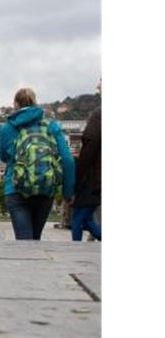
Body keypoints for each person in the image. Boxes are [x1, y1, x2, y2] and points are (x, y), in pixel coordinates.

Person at [0, 87, 75, 241]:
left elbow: (3, 156)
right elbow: (68, 160)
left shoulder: (7, 128)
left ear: (15, 104)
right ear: (35, 103)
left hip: (15, 188)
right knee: (35, 240)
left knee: (24, 241)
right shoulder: (51, 126)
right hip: (45, 188)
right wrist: (67, 192)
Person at [71, 100, 101, 242]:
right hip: (93, 188)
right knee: (87, 220)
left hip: (89, 186)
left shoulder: (97, 118)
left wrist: (75, 185)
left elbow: (87, 155)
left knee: (77, 219)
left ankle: (75, 245)